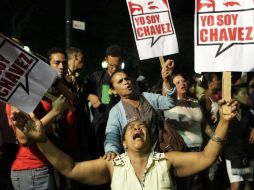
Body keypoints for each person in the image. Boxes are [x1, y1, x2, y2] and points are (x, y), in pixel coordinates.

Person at [10, 99, 237, 190]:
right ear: (123, 142)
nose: (137, 128)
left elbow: (207, 158)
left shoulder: (166, 161)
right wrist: (42, 140)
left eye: (142, 127)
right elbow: (71, 168)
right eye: (131, 128)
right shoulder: (113, 166)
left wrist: (225, 121)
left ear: (151, 138)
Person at [104, 59, 176, 159]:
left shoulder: (147, 97)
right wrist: (111, 150)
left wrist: (168, 82)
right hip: (135, 161)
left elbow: (170, 102)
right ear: (113, 90)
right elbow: (112, 134)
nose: (126, 82)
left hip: (160, 155)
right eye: (120, 82)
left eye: (126, 79)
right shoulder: (116, 111)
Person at [6, 95, 67, 190]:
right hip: (33, 170)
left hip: (46, 165)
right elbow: (24, 138)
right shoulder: (18, 95)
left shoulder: (37, 90)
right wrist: (55, 111)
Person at [87, 45, 124, 157]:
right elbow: (82, 93)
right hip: (100, 125)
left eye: (116, 66)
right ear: (106, 59)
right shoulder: (97, 77)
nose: (113, 69)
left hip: (120, 125)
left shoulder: (127, 79)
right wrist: (90, 97)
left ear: (121, 61)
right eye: (111, 65)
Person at [224, 84, 254, 190]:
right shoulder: (226, 111)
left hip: (246, 152)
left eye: (247, 93)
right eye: (244, 93)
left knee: (247, 184)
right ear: (234, 96)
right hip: (232, 153)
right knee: (236, 185)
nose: (247, 96)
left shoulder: (247, 112)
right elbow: (220, 131)